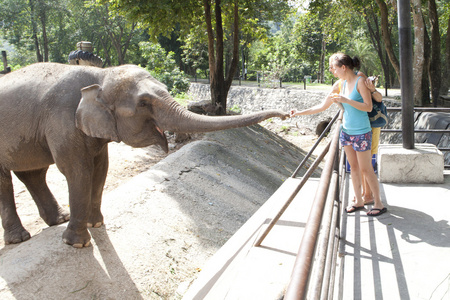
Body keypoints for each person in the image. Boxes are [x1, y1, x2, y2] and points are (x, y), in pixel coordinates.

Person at [290, 53, 386, 216]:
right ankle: (358, 200)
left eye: (333, 68)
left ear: (343, 67)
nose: (331, 71)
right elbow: (322, 106)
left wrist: (346, 100)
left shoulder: (359, 81)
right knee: (353, 168)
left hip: (362, 132)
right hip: (346, 131)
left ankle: (378, 203)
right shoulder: (339, 84)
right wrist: (298, 112)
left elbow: (368, 107)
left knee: (366, 169)